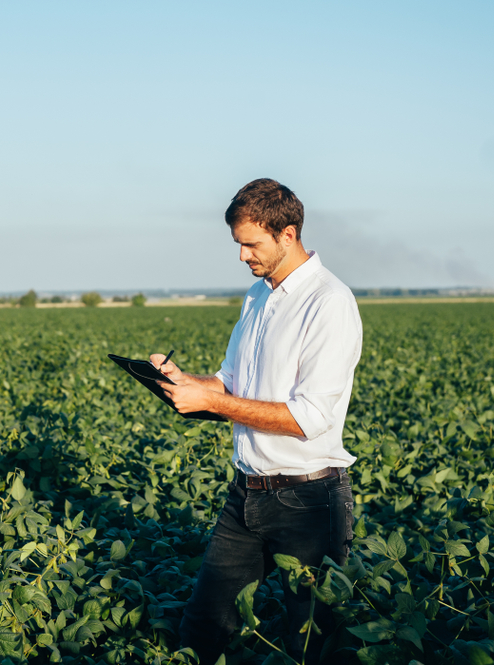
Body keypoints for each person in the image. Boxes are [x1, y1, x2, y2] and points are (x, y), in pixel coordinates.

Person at [151, 178, 362, 663]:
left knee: (309, 641)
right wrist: (187, 382)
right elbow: (231, 382)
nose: (242, 255)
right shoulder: (257, 297)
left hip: (309, 501)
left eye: (251, 243)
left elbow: (309, 418)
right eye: (238, 244)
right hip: (246, 492)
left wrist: (215, 403)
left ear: (287, 234)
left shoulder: (329, 303)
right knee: (202, 627)